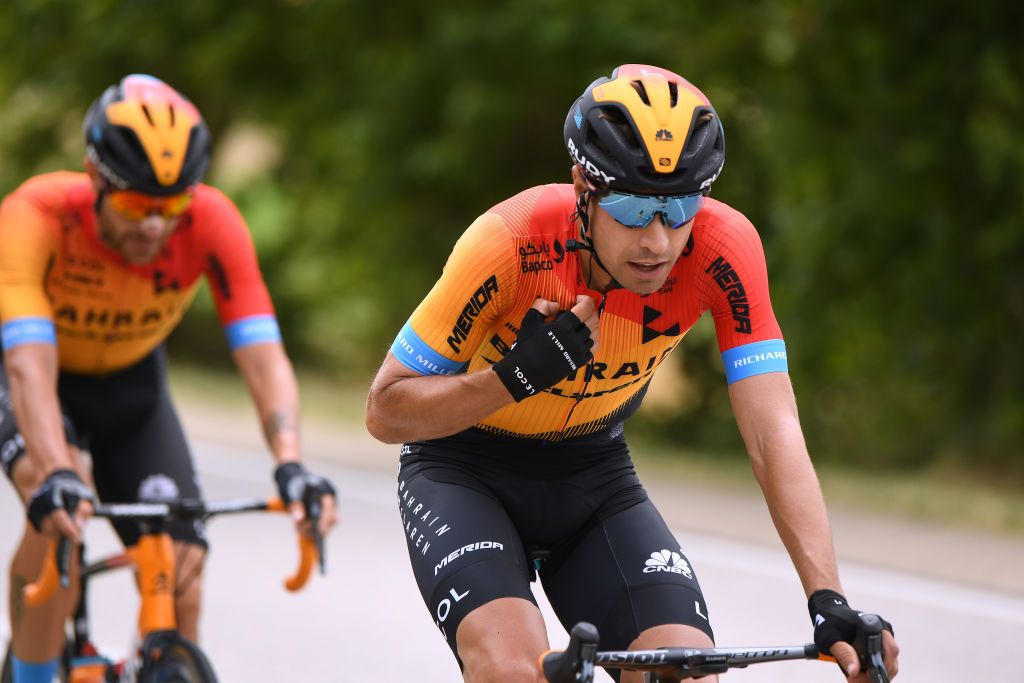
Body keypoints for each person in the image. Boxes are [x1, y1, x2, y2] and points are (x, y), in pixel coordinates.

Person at [365, 64, 899, 682]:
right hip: (466, 469)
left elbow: (772, 432)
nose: (658, 240)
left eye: (679, 207)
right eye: (633, 205)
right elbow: (386, 411)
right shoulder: (509, 242)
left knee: (684, 671)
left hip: (592, 473)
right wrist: (511, 379)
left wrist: (826, 597)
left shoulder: (725, 250)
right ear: (583, 189)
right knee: (514, 669)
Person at [0, 74, 338, 683]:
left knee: (181, 562)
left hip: (133, 386)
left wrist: (290, 462)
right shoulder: (36, 215)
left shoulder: (211, 222)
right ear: (94, 177)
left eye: (173, 205)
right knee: (61, 520)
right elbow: (28, 363)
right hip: (38, 381)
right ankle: (28, 673)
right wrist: (53, 472)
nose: (155, 227)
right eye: (135, 206)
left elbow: (263, 356)